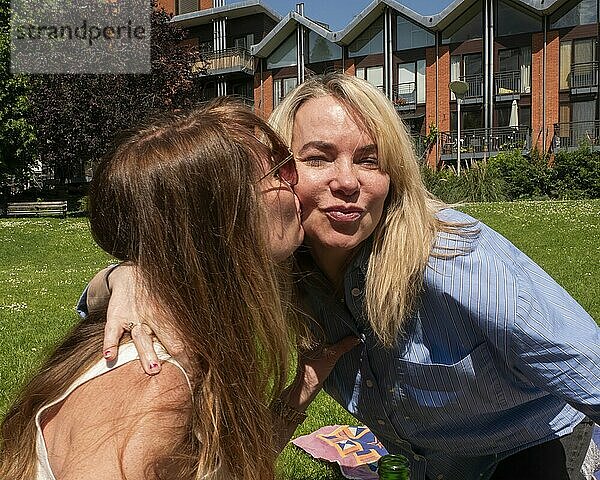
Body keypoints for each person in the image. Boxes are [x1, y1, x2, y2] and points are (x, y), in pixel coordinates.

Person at [88, 74, 600, 480]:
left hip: (533, 447)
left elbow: (590, 368)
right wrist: (128, 278)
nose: (349, 182)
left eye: (369, 161)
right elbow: (184, 262)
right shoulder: (284, 263)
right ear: (281, 175)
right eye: (318, 158)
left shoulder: (453, 259)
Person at [0, 99, 306, 480]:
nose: (296, 183)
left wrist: (306, 384)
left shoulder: (195, 340)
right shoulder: (154, 381)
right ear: (223, 218)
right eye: (280, 172)